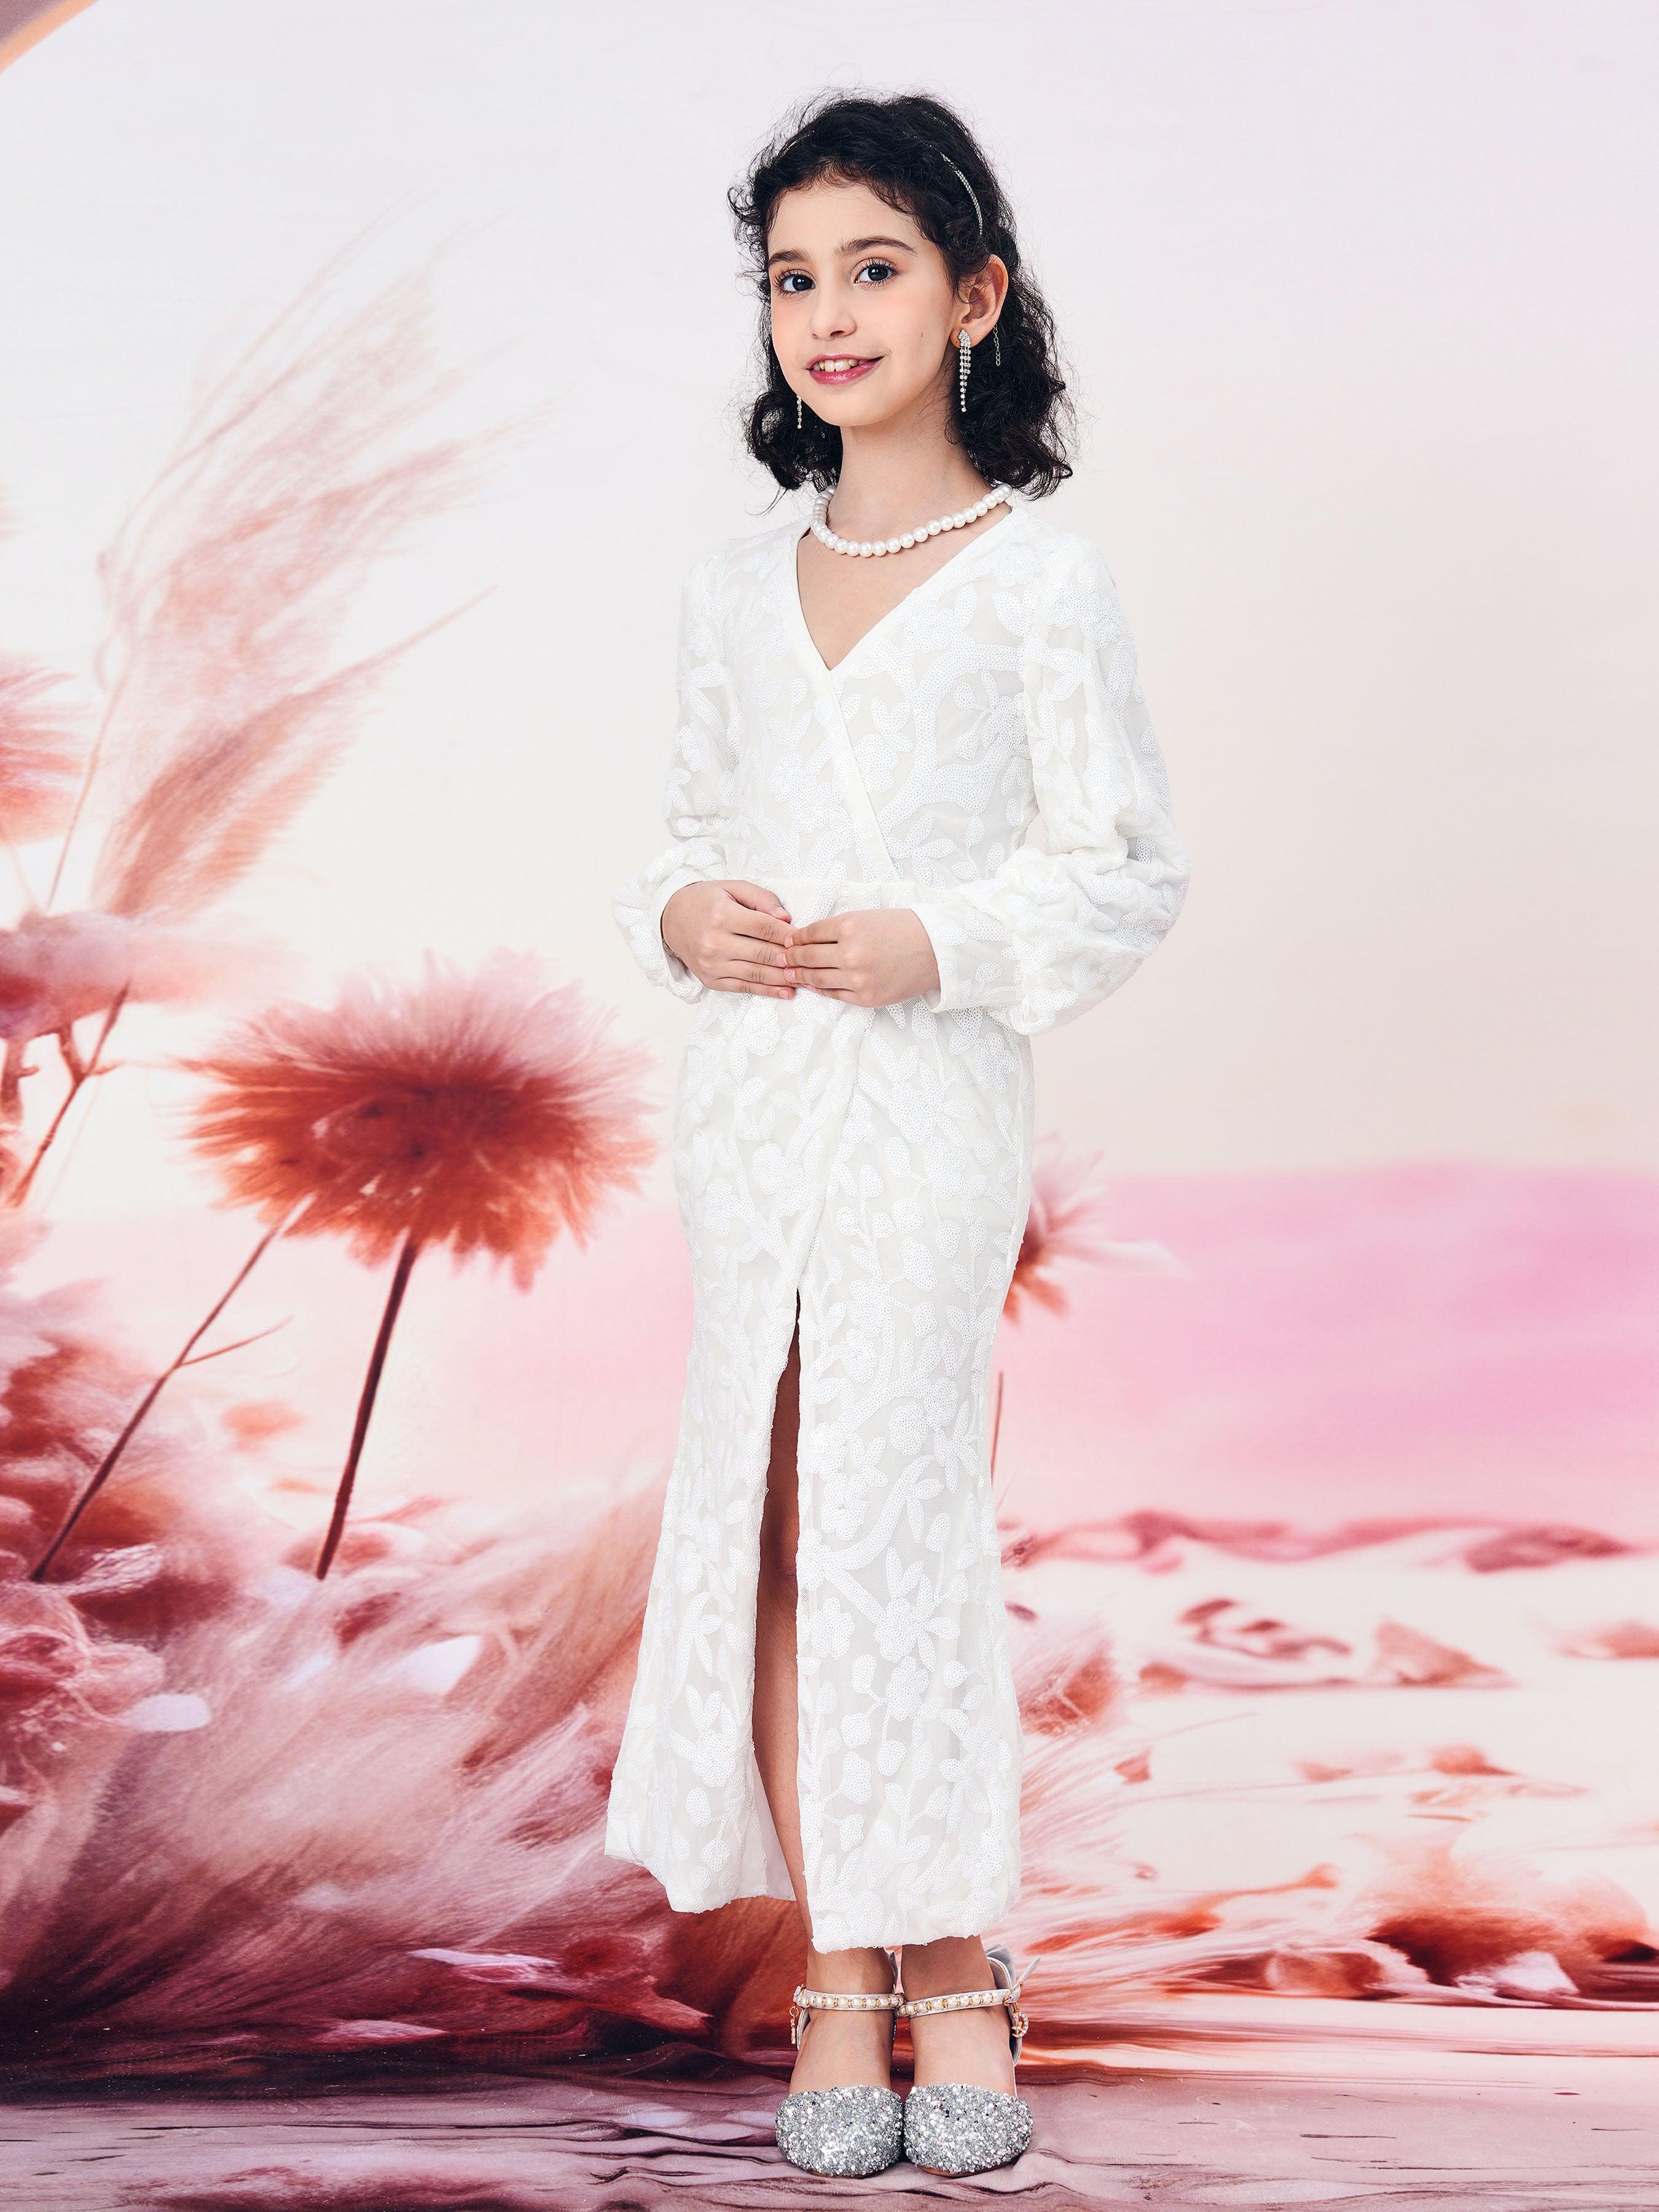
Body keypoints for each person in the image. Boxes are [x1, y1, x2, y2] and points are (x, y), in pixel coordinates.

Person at [605, 88, 1191, 2179]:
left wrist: (931, 942)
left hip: (928, 1099)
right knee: (766, 1513)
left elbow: (1121, 868)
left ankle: (953, 1965)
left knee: (891, 1517)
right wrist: (683, 915)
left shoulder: (1039, 581)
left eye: (874, 268)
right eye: (792, 278)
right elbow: (681, 835)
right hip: (749, 1102)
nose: (829, 313)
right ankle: (842, 1978)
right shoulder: (730, 584)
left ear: (974, 296)